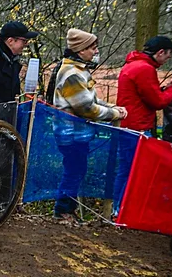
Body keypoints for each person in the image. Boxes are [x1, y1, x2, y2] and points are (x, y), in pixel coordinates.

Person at [51, 28, 127, 222]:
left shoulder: (80, 70)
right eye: (92, 47)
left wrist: (112, 106)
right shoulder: (71, 74)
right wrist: (113, 114)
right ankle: (62, 211)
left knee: (77, 170)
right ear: (80, 49)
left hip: (79, 134)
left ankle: (68, 208)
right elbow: (86, 108)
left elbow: (93, 99)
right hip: (71, 135)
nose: (95, 51)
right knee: (74, 171)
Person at [113, 36, 172, 213]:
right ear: (160, 52)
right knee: (131, 170)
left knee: (127, 169)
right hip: (137, 128)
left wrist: (164, 90)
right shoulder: (144, 69)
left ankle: (120, 209)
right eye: (168, 55)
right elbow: (157, 102)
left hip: (129, 125)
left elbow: (146, 96)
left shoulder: (133, 65)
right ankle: (120, 210)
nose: (168, 59)